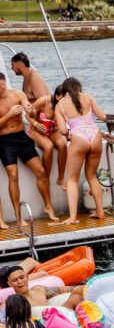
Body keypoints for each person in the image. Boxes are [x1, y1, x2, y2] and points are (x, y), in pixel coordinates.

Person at [0, 72, 58, 228]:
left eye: (1, 86)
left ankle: (49, 207)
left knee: (40, 171)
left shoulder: (17, 94)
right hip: (4, 141)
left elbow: (28, 108)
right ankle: (18, 216)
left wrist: (30, 110)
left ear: (4, 83)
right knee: (13, 174)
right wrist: (9, 115)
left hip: (21, 137)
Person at [54, 77, 109, 224]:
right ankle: (100, 211)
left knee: (72, 179)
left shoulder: (60, 105)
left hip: (79, 138)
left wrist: (68, 132)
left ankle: (72, 218)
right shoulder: (88, 97)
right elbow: (103, 117)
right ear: (79, 88)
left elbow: (62, 130)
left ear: (65, 90)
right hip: (95, 136)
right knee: (92, 176)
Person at [27, 85, 67, 188]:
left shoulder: (66, 104)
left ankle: (61, 178)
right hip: (36, 130)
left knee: (63, 144)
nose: (67, 101)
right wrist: (36, 124)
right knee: (48, 147)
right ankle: (46, 179)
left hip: (53, 130)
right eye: (65, 98)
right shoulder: (43, 101)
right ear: (57, 96)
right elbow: (28, 114)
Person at [2, 265, 84, 310]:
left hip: (61, 316)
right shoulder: (11, 302)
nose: (20, 282)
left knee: (77, 294)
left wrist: (81, 288)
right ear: (10, 284)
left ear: (27, 277)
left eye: (22, 277)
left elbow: (63, 289)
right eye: (15, 280)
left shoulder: (38, 290)